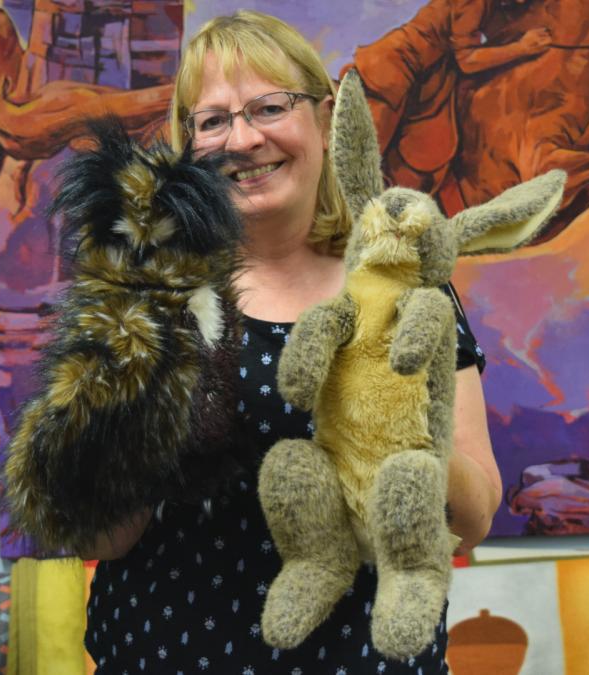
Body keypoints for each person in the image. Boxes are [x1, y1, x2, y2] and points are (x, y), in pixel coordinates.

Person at [80, 10, 502, 673]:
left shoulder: (405, 285)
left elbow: (472, 518)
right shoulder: (146, 292)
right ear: (187, 143)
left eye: (269, 107)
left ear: (325, 117)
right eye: (213, 120)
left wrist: (396, 429)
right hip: (170, 653)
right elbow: (106, 534)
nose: (243, 139)